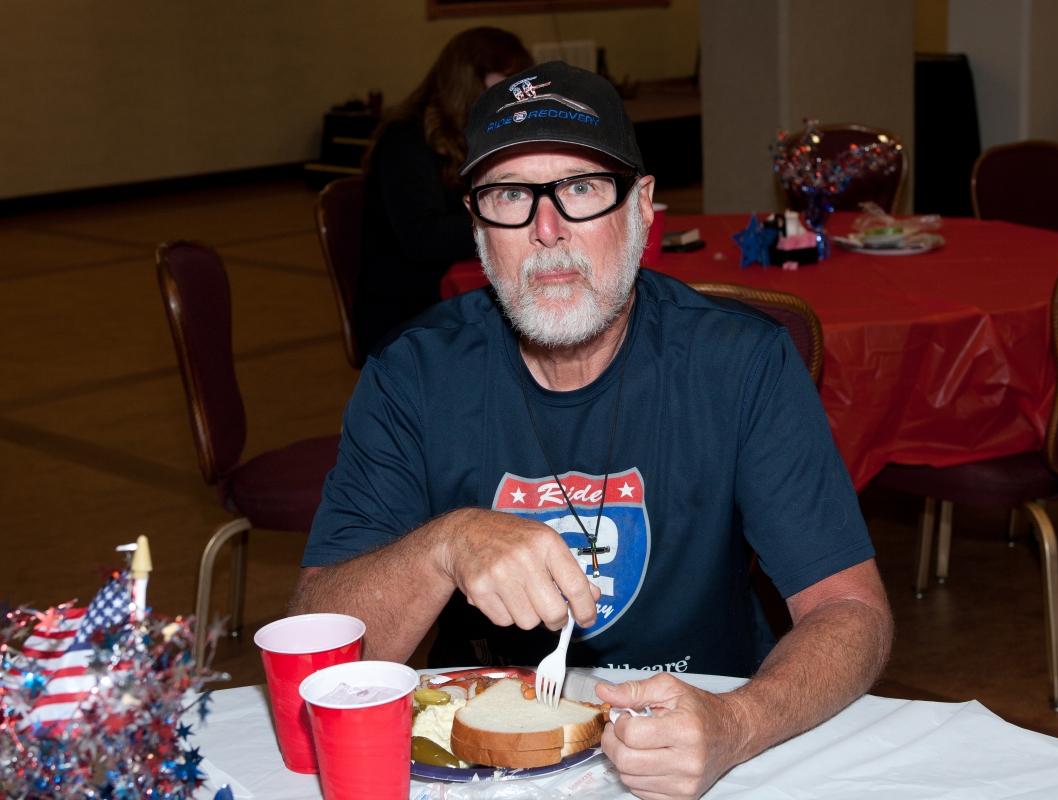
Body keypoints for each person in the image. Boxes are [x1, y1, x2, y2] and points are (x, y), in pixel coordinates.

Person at [291, 61, 892, 800]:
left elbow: (851, 612)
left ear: (641, 208)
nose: (547, 231)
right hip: (490, 765)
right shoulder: (413, 376)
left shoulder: (739, 361)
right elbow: (321, 655)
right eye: (510, 195)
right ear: (478, 227)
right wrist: (442, 548)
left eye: (580, 188)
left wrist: (739, 722)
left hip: (711, 737)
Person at [354, 28, 534, 356]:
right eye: (508, 81)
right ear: (468, 81)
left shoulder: (483, 132)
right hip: (408, 312)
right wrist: (509, 213)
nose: (518, 94)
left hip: (463, 294)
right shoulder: (406, 139)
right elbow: (425, 238)